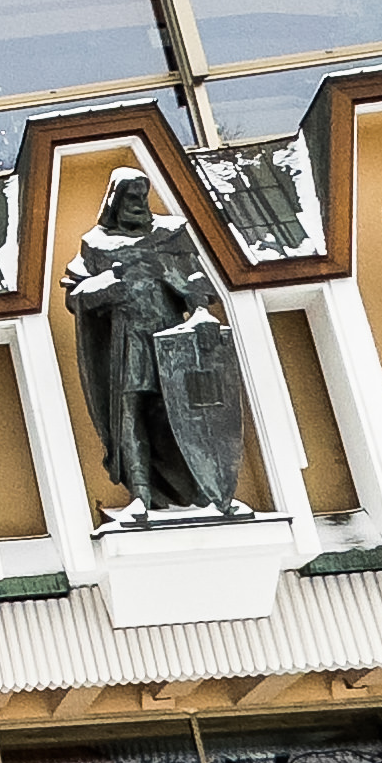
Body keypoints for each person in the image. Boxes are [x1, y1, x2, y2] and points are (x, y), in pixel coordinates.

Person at [62, 168, 244, 515]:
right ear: (115, 201)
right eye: (130, 198)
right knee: (131, 413)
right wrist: (108, 284)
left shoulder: (169, 235)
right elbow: (75, 294)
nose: (138, 204)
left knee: (185, 410)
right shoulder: (96, 244)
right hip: (129, 339)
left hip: (173, 339)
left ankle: (209, 490)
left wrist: (201, 313)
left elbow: (196, 282)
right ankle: (141, 494)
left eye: (141, 197)